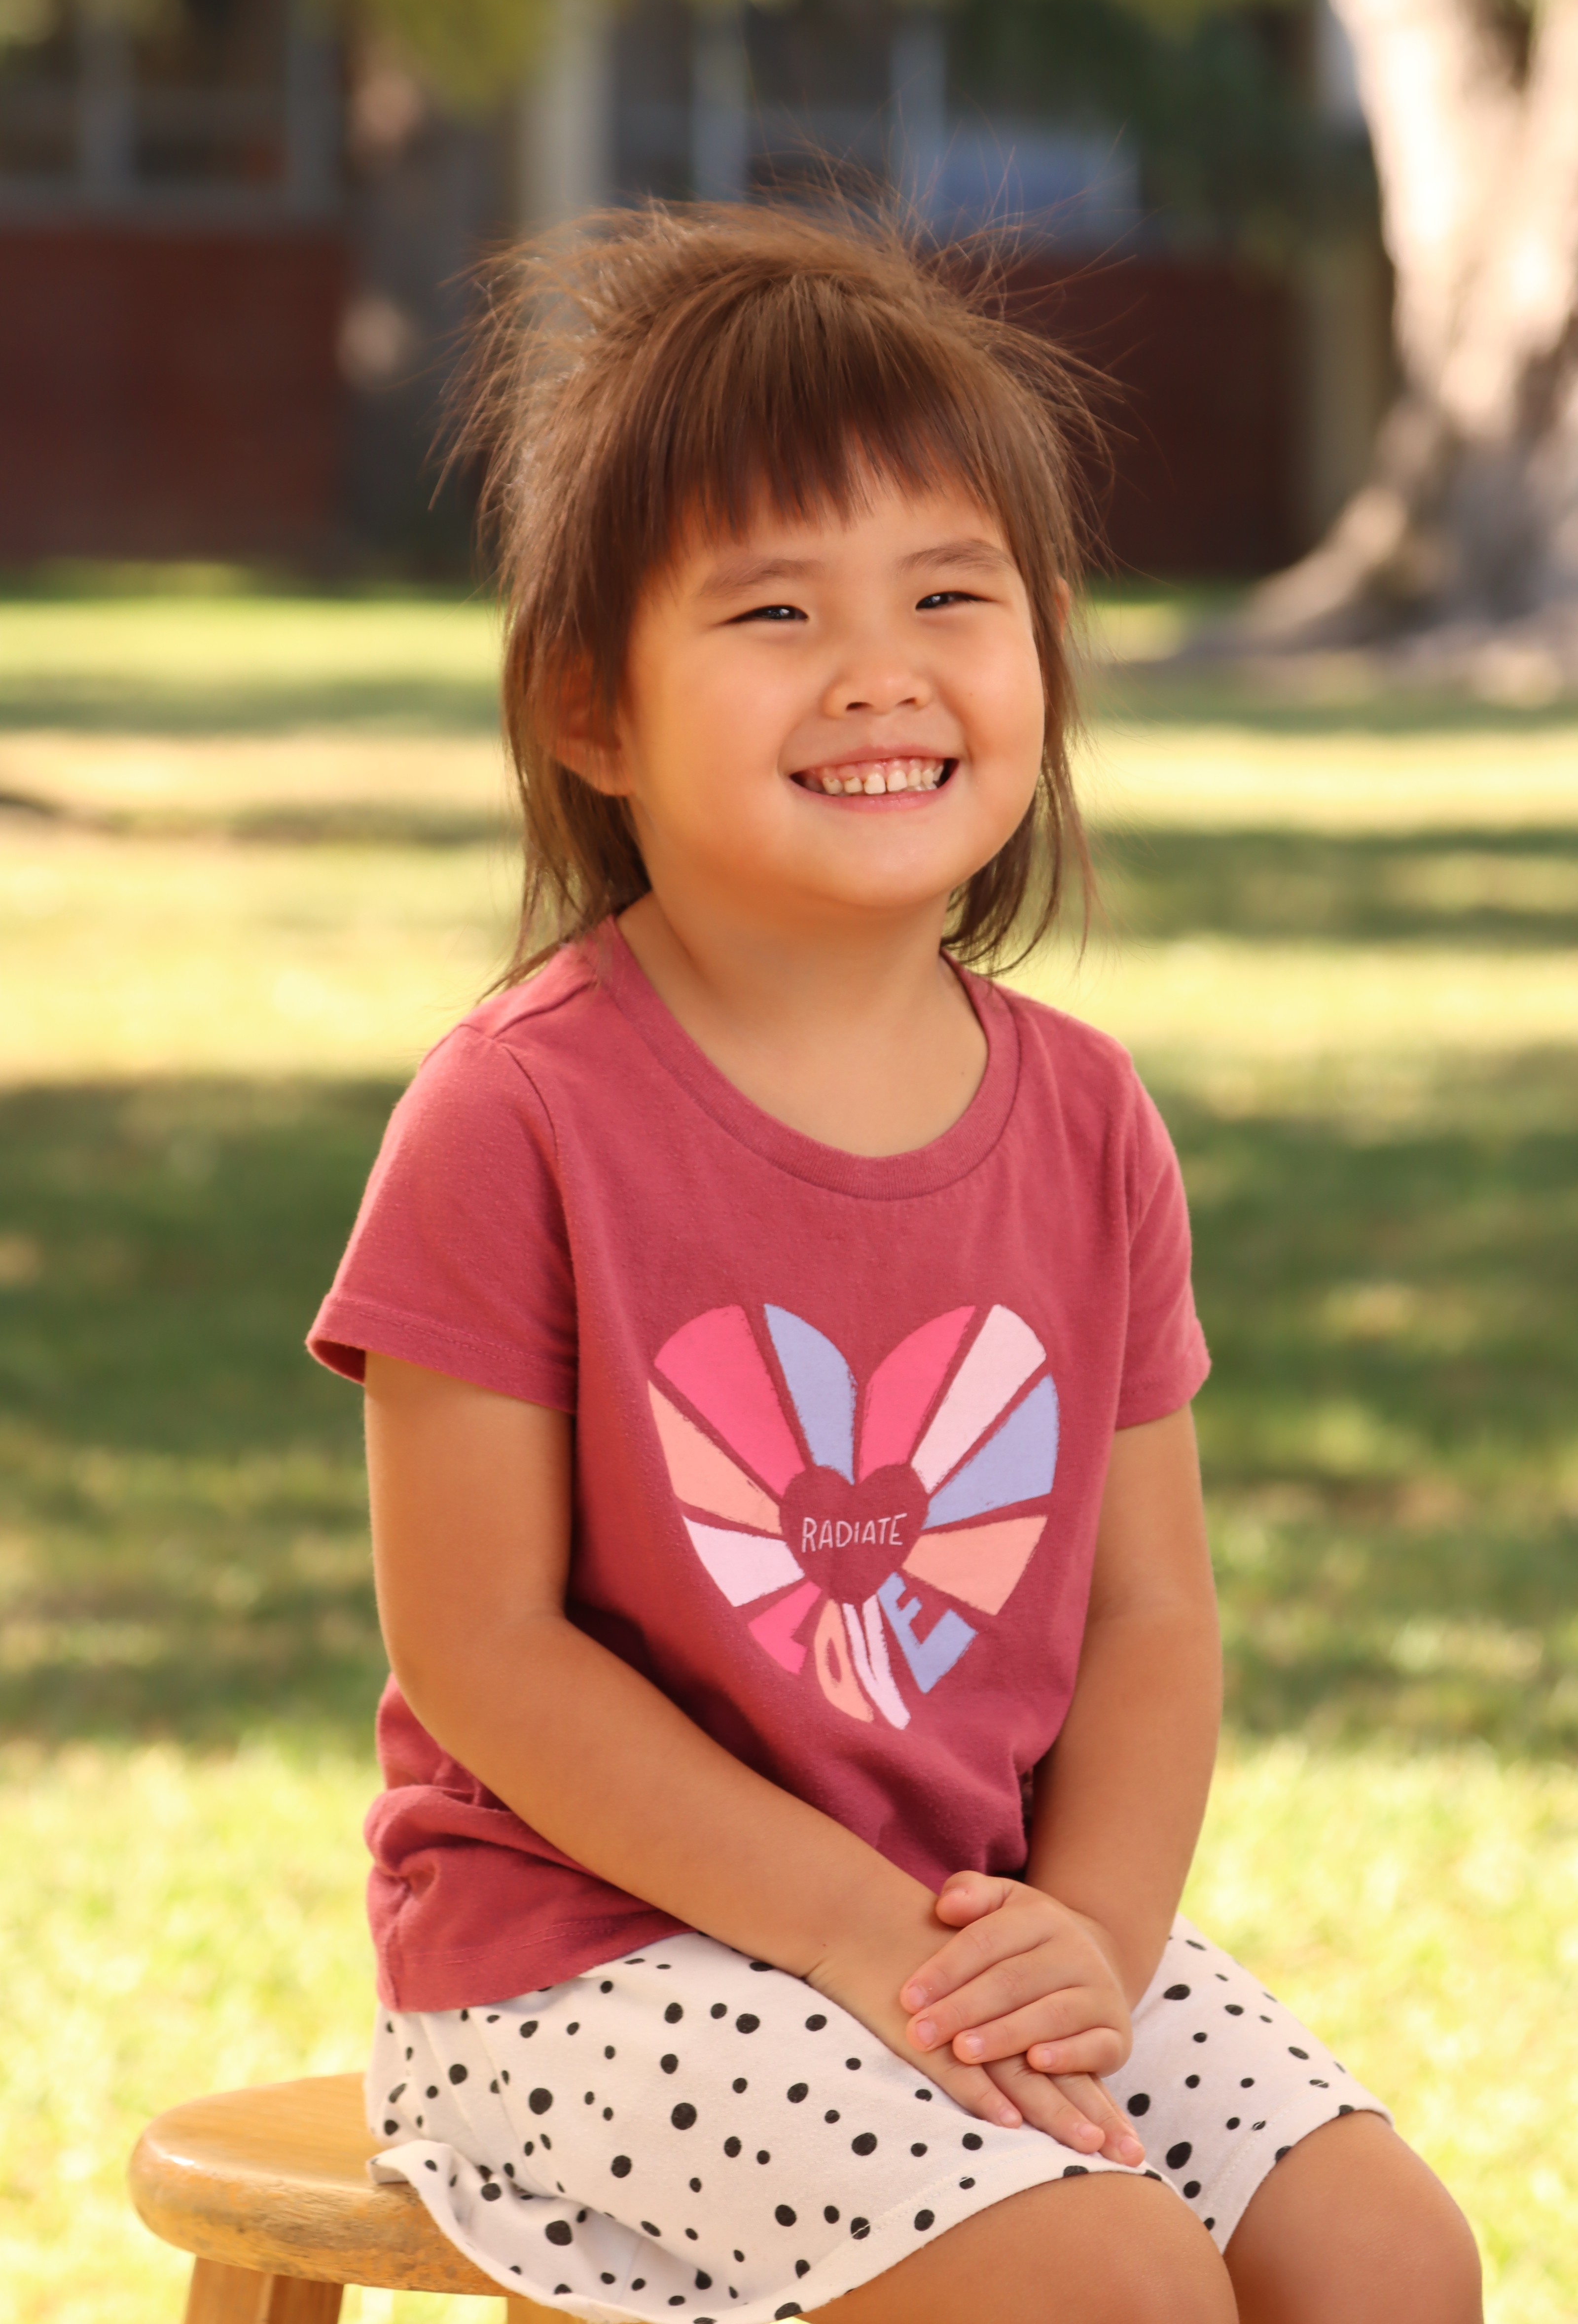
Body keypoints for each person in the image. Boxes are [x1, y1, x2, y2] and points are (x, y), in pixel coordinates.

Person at [308, 204, 1479, 2324]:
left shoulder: (1087, 1118)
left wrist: (1093, 1940)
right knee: (1110, 2288)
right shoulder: (515, 1118)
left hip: (976, 1921)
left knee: (1386, 2261)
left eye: (950, 594)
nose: (879, 669)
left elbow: (1147, 1614)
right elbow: (481, 1650)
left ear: (1044, 650)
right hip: (582, 1972)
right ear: (588, 708)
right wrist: (854, 1937)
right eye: (774, 607)